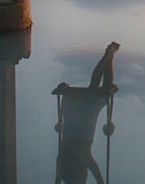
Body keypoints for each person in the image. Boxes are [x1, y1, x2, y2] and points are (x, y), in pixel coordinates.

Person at [53, 41, 120, 184]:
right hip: (71, 105)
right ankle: (109, 54)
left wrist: (101, 182)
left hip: (86, 112)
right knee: (94, 88)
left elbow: (96, 172)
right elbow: (57, 179)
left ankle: (110, 54)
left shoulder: (82, 159)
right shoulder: (63, 165)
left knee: (105, 89)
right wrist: (60, 123)